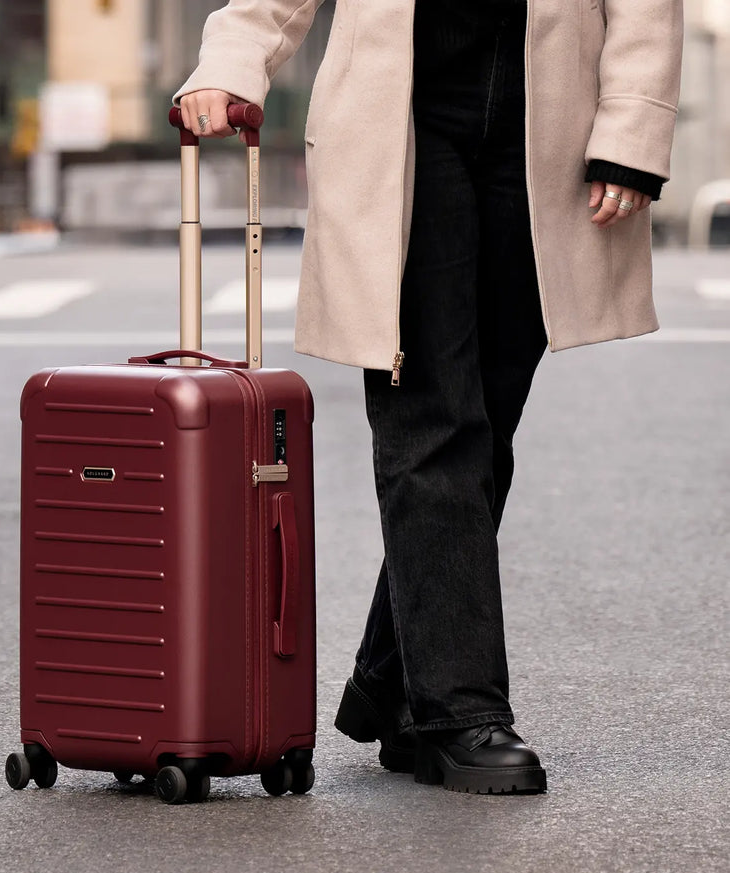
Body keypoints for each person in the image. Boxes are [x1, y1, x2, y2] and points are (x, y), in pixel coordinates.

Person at [175, 0, 683, 794]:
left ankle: (392, 685)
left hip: (548, 129)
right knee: (434, 419)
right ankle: (456, 712)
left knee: (485, 425)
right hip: (400, 129)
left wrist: (632, 130)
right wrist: (233, 61)